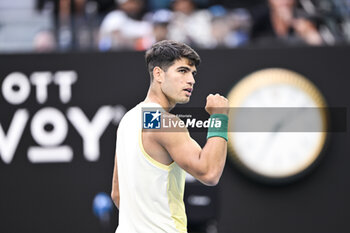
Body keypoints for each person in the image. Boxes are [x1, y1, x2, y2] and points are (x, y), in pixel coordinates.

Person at [111, 40, 229, 233]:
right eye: (182, 71)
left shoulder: (128, 119)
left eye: (193, 73)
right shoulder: (165, 121)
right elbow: (209, 172)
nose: (191, 80)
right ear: (158, 74)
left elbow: (117, 195)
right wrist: (219, 117)